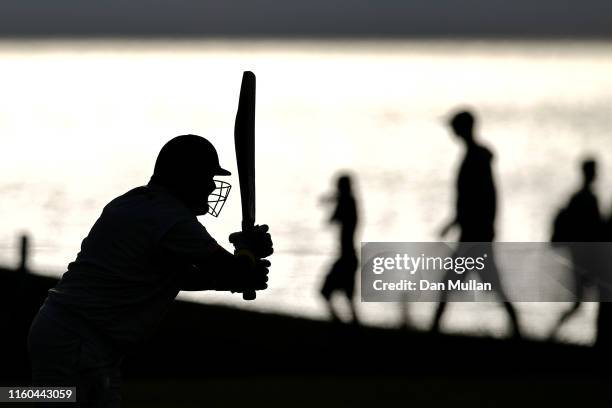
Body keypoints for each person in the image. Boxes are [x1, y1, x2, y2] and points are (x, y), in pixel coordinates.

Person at [28, 135, 273, 407]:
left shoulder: (134, 203)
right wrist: (247, 252)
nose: (212, 186)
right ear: (187, 177)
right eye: (207, 177)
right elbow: (232, 270)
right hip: (78, 345)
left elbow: (169, 277)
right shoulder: (172, 220)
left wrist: (238, 271)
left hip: (69, 335)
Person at [432, 110, 521, 338]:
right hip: (475, 233)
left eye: (454, 127)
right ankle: (517, 328)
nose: (451, 131)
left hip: (474, 235)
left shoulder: (476, 158)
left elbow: (483, 197)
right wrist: (453, 223)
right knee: (488, 283)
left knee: (449, 284)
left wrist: (474, 227)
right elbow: (474, 200)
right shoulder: (475, 156)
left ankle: (433, 332)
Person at [550, 158, 603, 338]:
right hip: (588, 259)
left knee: (580, 302)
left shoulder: (577, 198)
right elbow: (595, 231)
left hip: (579, 257)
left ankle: (553, 333)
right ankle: (554, 333)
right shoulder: (589, 199)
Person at [320, 174, 359, 324]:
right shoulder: (351, 201)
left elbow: (331, 220)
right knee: (349, 298)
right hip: (350, 257)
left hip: (345, 257)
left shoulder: (346, 203)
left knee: (325, 291)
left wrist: (329, 202)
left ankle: (337, 323)